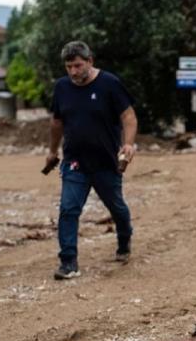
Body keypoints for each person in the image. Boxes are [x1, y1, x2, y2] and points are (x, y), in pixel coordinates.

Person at [45, 40, 137, 280]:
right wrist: (52, 151)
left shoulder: (110, 84)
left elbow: (128, 117)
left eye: (78, 65)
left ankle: (124, 239)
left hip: (106, 162)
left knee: (116, 207)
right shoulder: (62, 87)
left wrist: (128, 144)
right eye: (69, 67)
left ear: (90, 61)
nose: (73, 72)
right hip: (75, 162)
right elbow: (56, 122)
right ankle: (68, 262)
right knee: (68, 209)